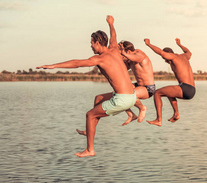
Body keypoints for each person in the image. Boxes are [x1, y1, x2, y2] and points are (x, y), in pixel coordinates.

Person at [36, 15, 136, 158]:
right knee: (98, 99)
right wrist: (111, 24)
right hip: (132, 96)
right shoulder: (114, 49)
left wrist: (53, 66)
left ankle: (90, 149)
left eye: (91, 43)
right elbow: (114, 35)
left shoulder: (99, 59)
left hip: (123, 99)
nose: (90, 45)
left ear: (97, 42)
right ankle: (90, 130)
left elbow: (77, 63)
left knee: (89, 115)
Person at [144, 38, 195, 126]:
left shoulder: (173, 57)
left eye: (164, 58)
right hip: (192, 89)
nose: (165, 60)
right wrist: (180, 45)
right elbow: (189, 52)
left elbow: (161, 52)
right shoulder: (184, 57)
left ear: (168, 55)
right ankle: (176, 114)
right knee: (168, 92)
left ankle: (158, 120)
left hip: (185, 88)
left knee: (157, 93)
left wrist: (149, 44)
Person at [116, 40, 155, 125]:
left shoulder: (139, 53)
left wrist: (124, 54)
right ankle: (131, 114)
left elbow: (137, 58)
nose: (122, 55)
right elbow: (122, 69)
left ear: (129, 51)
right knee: (118, 92)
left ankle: (142, 108)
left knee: (129, 94)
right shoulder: (130, 60)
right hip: (139, 85)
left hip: (148, 88)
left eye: (122, 54)